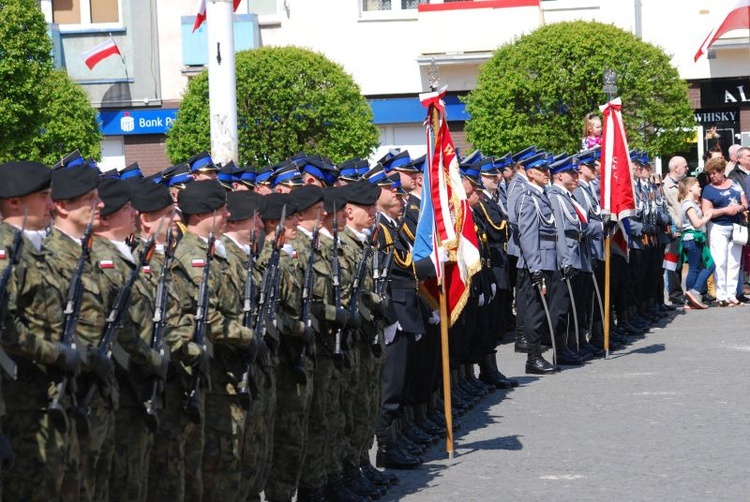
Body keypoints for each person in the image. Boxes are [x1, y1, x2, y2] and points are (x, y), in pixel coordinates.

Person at [701, 157, 747, 307]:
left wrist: (738, 208)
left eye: (715, 173)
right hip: (718, 227)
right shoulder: (708, 189)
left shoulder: (734, 184)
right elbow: (707, 211)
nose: (712, 176)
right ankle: (721, 295)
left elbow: (744, 203)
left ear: (722, 172)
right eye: (710, 174)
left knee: (734, 261)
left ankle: (732, 294)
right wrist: (725, 210)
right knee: (720, 261)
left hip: (735, 227)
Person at [678, 177, 715, 309]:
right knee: (708, 265)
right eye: (698, 186)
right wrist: (707, 217)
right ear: (690, 188)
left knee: (696, 268)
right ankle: (694, 291)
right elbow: (697, 223)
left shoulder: (692, 203)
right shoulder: (688, 204)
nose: (700, 188)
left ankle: (691, 299)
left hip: (695, 238)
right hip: (693, 238)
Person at [663, 156, 689, 303]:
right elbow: (667, 209)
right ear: (675, 168)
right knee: (672, 264)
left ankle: (687, 292)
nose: (687, 168)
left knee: (685, 262)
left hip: (686, 229)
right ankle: (675, 294)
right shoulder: (664, 186)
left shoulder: (683, 184)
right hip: (674, 231)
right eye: (684, 166)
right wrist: (672, 226)